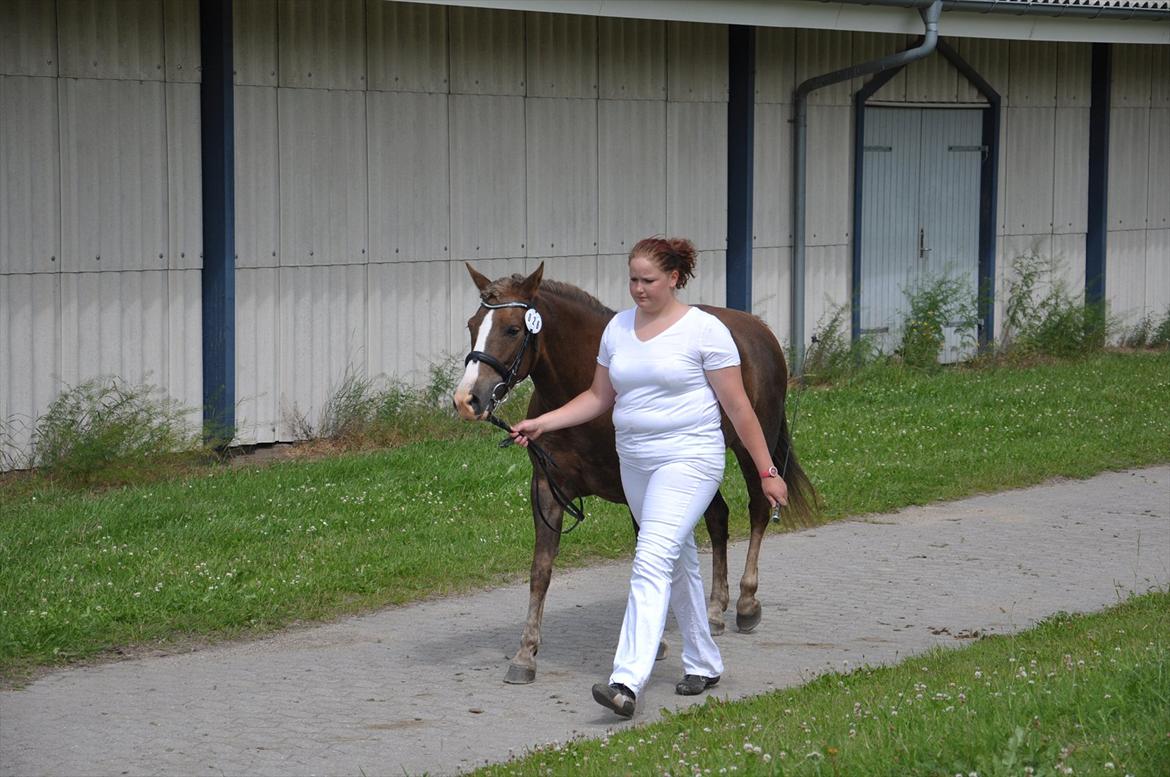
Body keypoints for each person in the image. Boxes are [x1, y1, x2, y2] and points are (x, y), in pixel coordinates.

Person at [509, 236, 788, 718]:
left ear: (674, 278)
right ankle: (703, 662)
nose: (638, 289)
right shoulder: (618, 329)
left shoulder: (705, 332)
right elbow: (598, 397)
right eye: (633, 279)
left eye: (649, 280)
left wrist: (767, 470)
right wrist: (542, 423)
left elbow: (740, 408)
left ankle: (626, 680)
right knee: (678, 562)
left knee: (651, 558)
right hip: (636, 463)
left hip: (690, 459)